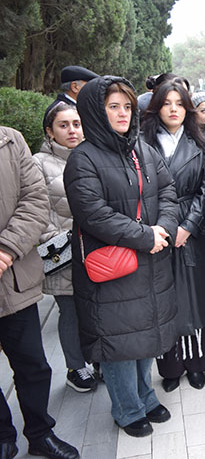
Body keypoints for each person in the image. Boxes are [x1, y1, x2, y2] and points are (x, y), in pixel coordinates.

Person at [63, 76, 179, 438]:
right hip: (114, 267)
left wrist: (164, 228)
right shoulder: (83, 159)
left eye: (127, 106)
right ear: (96, 111)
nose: (122, 113)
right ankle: (127, 409)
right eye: (113, 106)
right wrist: (146, 235)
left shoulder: (142, 149)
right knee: (118, 344)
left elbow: (169, 191)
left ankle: (145, 397)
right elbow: (94, 214)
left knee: (145, 335)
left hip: (150, 260)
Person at [0, 126, 80, 459]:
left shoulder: (9, 140)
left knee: (33, 364)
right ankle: (3, 436)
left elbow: (35, 200)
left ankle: (39, 431)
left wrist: (6, 250)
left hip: (13, 277)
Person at [141, 82, 205, 393]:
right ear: (156, 108)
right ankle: (170, 365)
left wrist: (187, 226)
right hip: (157, 227)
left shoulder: (201, 144)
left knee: (197, 296)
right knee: (164, 298)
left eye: (179, 103)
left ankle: (198, 363)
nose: (173, 108)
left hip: (194, 230)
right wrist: (164, 227)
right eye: (166, 103)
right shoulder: (141, 144)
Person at [33, 103, 97, 393]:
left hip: (97, 251)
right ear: (50, 131)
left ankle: (99, 359)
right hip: (63, 254)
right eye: (63, 125)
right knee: (70, 313)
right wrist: (63, 240)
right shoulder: (38, 163)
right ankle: (76, 366)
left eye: (76, 123)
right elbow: (36, 211)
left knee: (97, 309)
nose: (72, 130)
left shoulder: (93, 155)